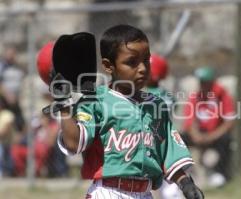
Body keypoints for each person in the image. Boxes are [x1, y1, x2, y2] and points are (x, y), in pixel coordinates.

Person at [43, 25, 204, 199]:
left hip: (145, 193)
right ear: (108, 66)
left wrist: (185, 183)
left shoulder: (156, 105)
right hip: (108, 192)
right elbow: (73, 144)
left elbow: (168, 153)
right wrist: (64, 104)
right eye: (131, 62)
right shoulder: (96, 101)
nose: (142, 68)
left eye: (146, 60)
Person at [182, 67, 235, 188]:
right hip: (200, 133)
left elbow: (229, 122)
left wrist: (211, 136)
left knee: (226, 139)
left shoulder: (222, 95)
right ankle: (185, 171)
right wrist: (195, 135)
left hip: (216, 133)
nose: (202, 85)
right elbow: (189, 120)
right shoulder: (196, 96)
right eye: (201, 82)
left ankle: (220, 173)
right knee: (180, 138)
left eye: (205, 82)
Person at [145, 54, 182, 199]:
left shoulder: (143, 95)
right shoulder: (167, 95)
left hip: (148, 143)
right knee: (170, 183)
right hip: (166, 143)